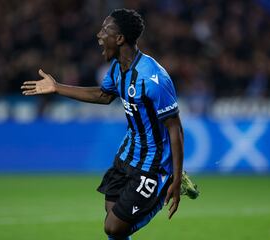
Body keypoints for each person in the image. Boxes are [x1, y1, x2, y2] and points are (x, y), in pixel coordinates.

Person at [21, 8, 198, 240]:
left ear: (120, 38)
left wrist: (174, 173)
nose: (99, 35)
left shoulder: (153, 78)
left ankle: (166, 183)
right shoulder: (117, 69)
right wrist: (57, 87)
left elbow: (175, 128)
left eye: (105, 30)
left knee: (114, 227)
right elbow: (103, 96)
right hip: (128, 153)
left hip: (154, 163)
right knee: (112, 212)